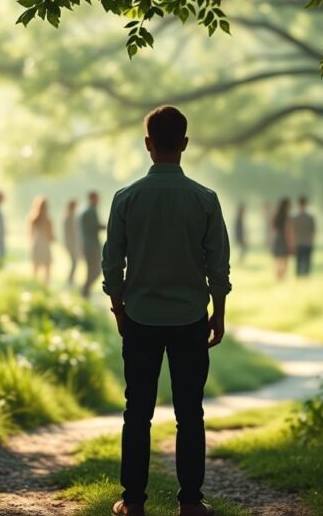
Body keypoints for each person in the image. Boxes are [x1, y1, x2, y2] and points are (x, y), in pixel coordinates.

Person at [103, 106, 229, 516]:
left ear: (148, 144)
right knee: (189, 412)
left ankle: (133, 502)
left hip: (140, 317)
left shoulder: (126, 198)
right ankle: (190, 503)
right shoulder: (205, 199)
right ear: (185, 144)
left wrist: (118, 306)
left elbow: (112, 262)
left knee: (136, 412)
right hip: (190, 318)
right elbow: (217, 265)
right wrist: (219, 312)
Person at [80, 191, 105, 298]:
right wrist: (106, 226)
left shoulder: (88, 211)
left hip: (89, 245)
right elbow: (94, 227)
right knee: (95, 270)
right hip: (91, 246)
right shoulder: (89, 212)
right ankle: (85, 290)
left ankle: (85, 292)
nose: (98, 201)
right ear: (91, 199)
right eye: (96, 198)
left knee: (92, 270)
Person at [27, 196, 54, 284]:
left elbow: (30, 234)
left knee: (35, 269)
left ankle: (33, 286)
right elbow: (51, 236)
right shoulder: (48, 220)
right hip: (44, 245)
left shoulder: (32, 219)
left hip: (36, 245)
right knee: (47, 269)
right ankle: (45, 288)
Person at [291, 195, 317, 277]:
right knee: (307, 261)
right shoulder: (310, 217)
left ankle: (298, 276)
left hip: (298, 242)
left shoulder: (294, 217)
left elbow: (292, 231)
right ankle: (306, 276)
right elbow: (313, 231)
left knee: (298, 262)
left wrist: (292, 242)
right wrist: (312, 241)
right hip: (307, 242)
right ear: (306, 204)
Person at [270, 198, 295, 280]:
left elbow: (272, 227)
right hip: (284, 239)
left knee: (278, 260)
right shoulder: (287, 216)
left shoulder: (276, 215)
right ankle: (281, 277)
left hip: (277, 238)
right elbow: (288, 230)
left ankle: (277, 276)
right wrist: (290, 243)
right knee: (285, 260)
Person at [63, 199, 80, 285]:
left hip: (72, 244)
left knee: (75, 262)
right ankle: (70, 280)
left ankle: (71, 280)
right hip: (71, 244)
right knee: (74, 262)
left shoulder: (72, 217)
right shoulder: (69, 218)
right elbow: (71, 233)